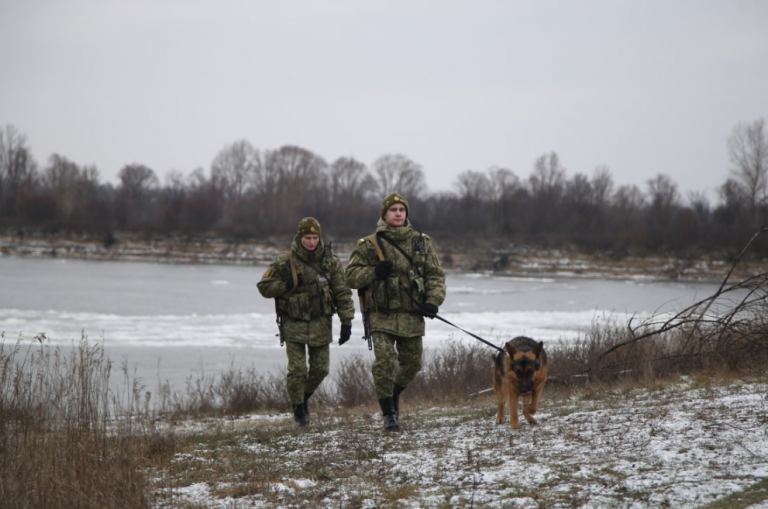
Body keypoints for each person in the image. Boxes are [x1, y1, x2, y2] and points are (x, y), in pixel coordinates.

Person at [346, 193, 446, 431]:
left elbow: (435, 276)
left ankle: (393, 394)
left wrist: (433, 301)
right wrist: (373, 271)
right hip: (381, 315)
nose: (399, 213)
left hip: (412, 314)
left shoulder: (422, 242)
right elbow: (349, 276)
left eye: (402, 209)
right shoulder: (369, 244)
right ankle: (389, 414)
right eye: (394, 210)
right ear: (384, 214)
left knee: (413, 365)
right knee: (384, 363)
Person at [257, 217, 355, 427]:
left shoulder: (330, 261)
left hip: (321, 323)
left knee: (321, 369)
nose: (311, 242)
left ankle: (302, 399)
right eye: (307, 238)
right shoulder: (285, 261)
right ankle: (299, 411)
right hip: (294, 324)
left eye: (315, 237)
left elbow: (342, 292)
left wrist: (347, 321)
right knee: (298, 371)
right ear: (299, 237)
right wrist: (285, 284)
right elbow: (264, 287)